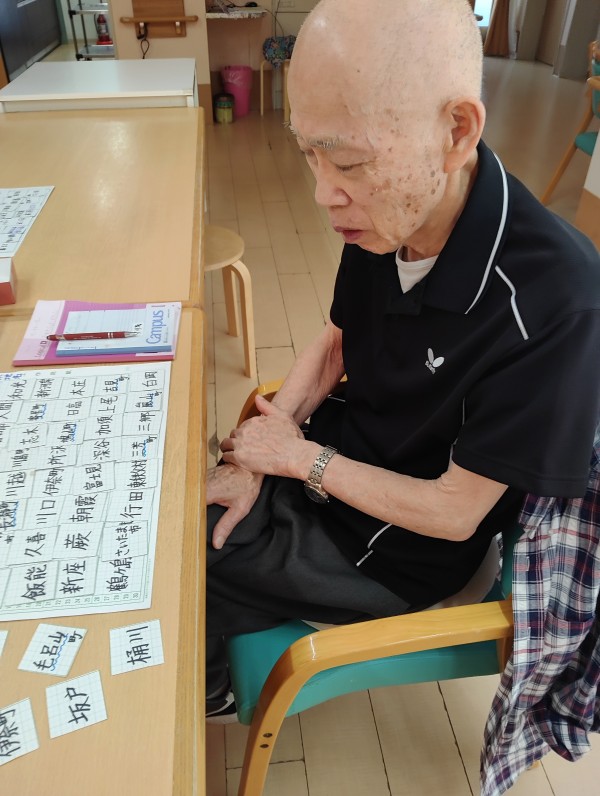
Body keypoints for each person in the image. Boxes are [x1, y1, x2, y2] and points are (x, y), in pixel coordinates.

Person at [205, 0, 600, 723]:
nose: (323, 193)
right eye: (309, 153)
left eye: (349, 162)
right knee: (190, 506)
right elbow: (336, 343)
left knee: (193, 555)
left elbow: (453, 514)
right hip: (337, 457)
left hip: (400, 546)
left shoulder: (556, 301)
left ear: (456, 132)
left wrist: (295, 459)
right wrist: (260, 455)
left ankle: (216, 690)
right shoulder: (385, 216)